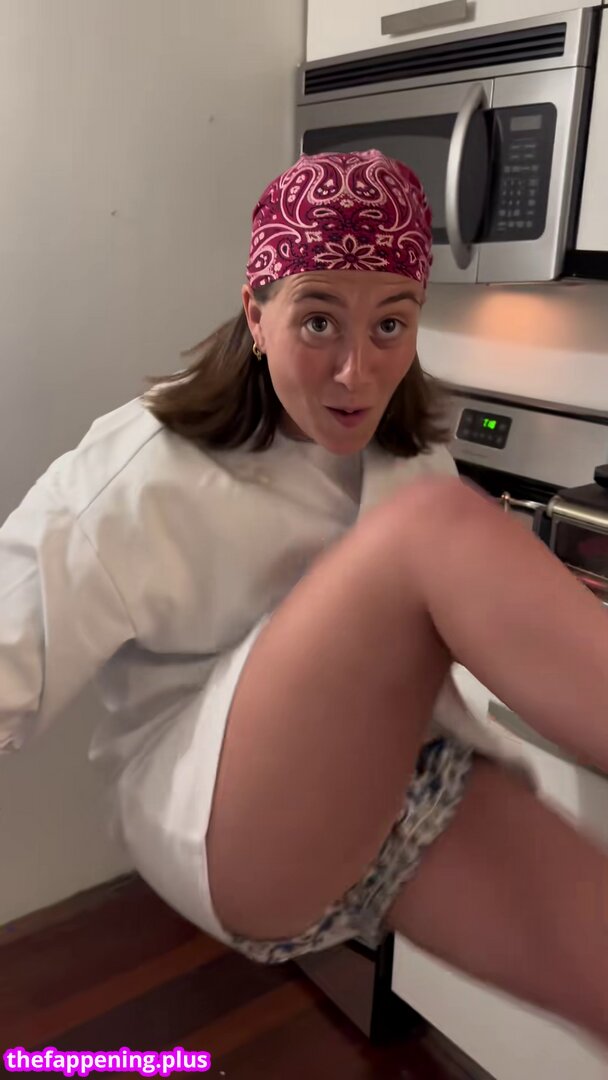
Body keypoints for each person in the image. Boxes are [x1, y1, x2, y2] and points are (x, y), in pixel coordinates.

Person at [1, 149, 607, 1047]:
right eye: (318, 321)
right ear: (256, 314)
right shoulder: (139, 468)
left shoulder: (413, 457)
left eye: (391, 325)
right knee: (438, 527)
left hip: (405, 790)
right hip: (219, 822)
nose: (356, 372)